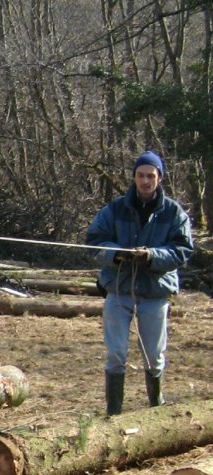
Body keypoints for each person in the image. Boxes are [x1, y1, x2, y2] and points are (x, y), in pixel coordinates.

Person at [85, 150, 194, 416]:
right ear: (134, 177)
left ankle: (156, 410)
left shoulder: (174, 213)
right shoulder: (114, 209)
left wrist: (152, 256)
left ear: (160, 178)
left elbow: (183, 250)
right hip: (118, 290)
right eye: (141, 175)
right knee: (116, 355)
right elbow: (93, 242)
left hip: (155, 293)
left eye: (151, 176)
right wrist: (116, 253)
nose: (146, 181)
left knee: (154, 357)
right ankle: (114, 415)